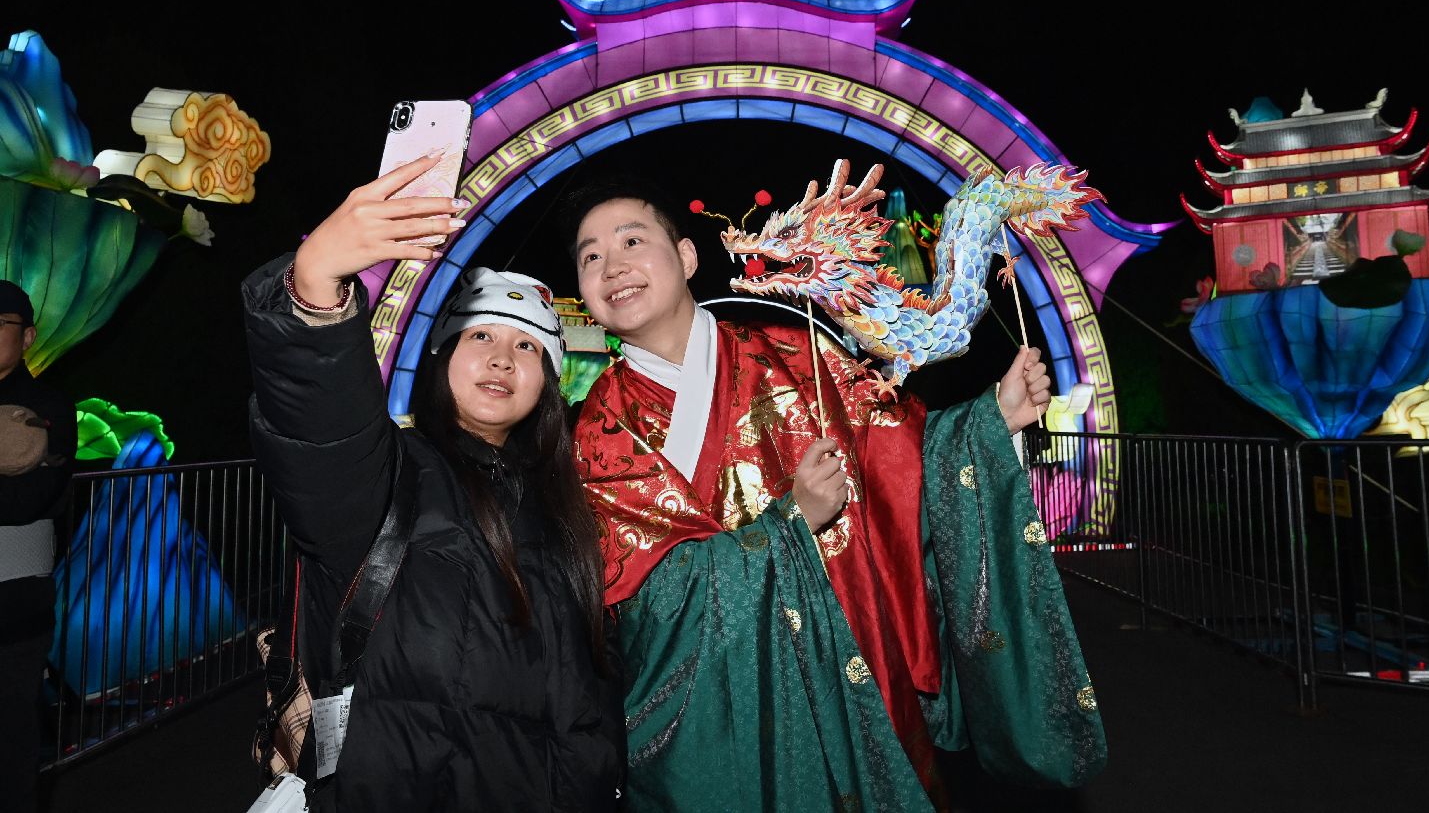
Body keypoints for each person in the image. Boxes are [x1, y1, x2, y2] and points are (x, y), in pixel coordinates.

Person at [564, 174, 1106, 810]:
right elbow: (645, 598)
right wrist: (791, 525)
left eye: (632, 241)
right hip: (718, 706)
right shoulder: (599, 428)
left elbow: (898, 458)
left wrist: (990, 420)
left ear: (686, 257)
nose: (613, 266)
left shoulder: (797, 354)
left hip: (853, 657)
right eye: (591, 257)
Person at [243, 156, 622, 811]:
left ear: (548, 383)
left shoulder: (571, 510)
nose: (502, 358)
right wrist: (313, 291)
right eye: (481, 336)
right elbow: (319, 427)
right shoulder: (387, 476)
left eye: (528, 347)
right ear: (442, 357)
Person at [0, 279, 76, 813]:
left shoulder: (47, 406)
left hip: (14, 600)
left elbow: (25, 500)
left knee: (10, 738)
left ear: (27, 337)